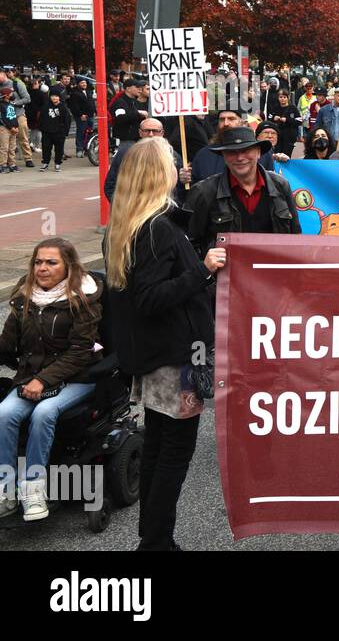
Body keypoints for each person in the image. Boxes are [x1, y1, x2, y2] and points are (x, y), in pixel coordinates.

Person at [105, 137, 224, 550]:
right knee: (174, 452)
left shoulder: (132, 224)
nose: (178, 168)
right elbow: (150, 298)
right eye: (172, 162)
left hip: (160, 356)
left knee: (159, 446)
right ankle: (157, 541)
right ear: (159, 173)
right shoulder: (155, 227)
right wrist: (203, 270)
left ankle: (153, 536)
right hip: (175, 360)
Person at [0, 238, 102, 521]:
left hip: (79, 377)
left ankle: (33, 489)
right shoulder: (25, 297)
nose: (42, 268)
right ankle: (6, 490)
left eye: (51, 262)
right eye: (38, 262)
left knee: (44, 413)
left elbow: (81, 352)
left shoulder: (83, 298)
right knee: (4, 413)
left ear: (68, 266)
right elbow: (8, 343)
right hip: (33, 377)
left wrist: (43, 381)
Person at [184, 126, 301, 256]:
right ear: (223, 155)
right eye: (231, 152)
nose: (239, 157)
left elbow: (295, 237)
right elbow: (188, 245)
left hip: (273, 273)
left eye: (246, 150)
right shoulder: (203, 192)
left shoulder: (281, 186)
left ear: (258, 153)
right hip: (225, 275)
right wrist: (206, 266)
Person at [37, 89, 72, 172]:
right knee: (46, 148)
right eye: (52, 96)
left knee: (59, 149)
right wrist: (42, 128)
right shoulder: (45, 106)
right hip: (47, 131)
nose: (54, 98)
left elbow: (67, 120)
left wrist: (65, 131)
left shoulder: (63, 107)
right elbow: (41, 118)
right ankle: (45, 163)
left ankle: (57, 164)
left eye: (56, 96)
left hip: (59, 132)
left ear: (59, 97)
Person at [108, 78, 149, 148]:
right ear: (128, 89)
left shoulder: (133, 101)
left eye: (140, 87)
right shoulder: (120, 102)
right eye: (137, 87)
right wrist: (138, 113)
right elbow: (120, 118)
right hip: (126, 140)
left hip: (135, 138)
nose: (140, 89)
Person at [266, 90, 301, 157]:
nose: (282, 99)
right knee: (276, 154)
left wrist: (287, 120)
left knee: (286, 155)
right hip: (277, 136)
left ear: (288, 98)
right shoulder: (275, 108)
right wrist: (274, 118)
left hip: (289, 137)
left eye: (284, 97)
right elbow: (269, 117)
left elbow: (299, 121)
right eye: (281, 97)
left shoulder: (292, 108)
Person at [68, 77, 94, 159]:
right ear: (78, 84)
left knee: (90, 132)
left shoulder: (89, 91)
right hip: (81, 116)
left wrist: (95, 110)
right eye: (82, 83)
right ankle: (79, 150)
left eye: (85, 83)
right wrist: (80, 115)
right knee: (81, 132)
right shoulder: (74, 93)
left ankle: (88, 149)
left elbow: (92, 102)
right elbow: (74, 106)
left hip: (91, 115)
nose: (84, 84)